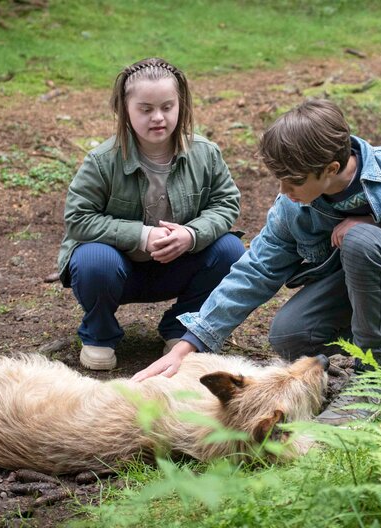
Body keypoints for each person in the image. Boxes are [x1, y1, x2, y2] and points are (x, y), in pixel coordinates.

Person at [132, 99, 381, 425]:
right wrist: (190, 344)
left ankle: (374, 382)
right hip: (362, 290)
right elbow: (257, 270)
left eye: (294, 181)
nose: (283, 190)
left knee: (360, 240)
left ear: (330, 168)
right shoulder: (292, 207)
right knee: (291, 335)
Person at [57, 58, 245, 371]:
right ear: (124, 109)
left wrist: (190, 234)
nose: (158, 118)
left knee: (230, 250)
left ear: (180, 105)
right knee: (92, 260)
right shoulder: (101, 161)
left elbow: (226, 202)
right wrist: (142, 236)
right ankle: (99, 334)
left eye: (167, 107)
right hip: (119, 270)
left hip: (178, 265)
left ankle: (182, 328)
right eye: (145, 109)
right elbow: (78, 217)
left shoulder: (205, 153)